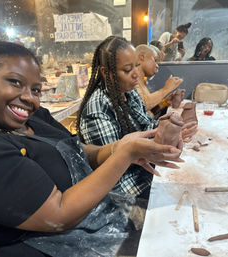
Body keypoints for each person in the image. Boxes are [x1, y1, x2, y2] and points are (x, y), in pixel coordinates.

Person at [0, 41, 182, 257]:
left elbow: (79, 153)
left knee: (175, 223)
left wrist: (121, 146)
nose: (28, 97)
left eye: (35, 89)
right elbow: (58, 214)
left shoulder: (37, 118)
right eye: (15, 82)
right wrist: (126, 155)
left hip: (97, 219)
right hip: (61, 245)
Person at [77, 36, 189, 199]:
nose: (137, 74)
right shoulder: (97, 108)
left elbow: (147, 125)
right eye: (128, 70)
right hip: (121, 191)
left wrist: (169, 128)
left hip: (143, 172)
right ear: (105, 72)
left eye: (137, 65)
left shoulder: (130, 92)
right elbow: (111, 172)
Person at [135, 44, 183, 117]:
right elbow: (143, 104)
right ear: (142, 57)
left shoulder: (142, 81)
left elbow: (146, 113)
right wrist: (166, 89)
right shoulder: (132, 81)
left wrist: (164, 103)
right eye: (155, 60)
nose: (157, 66)